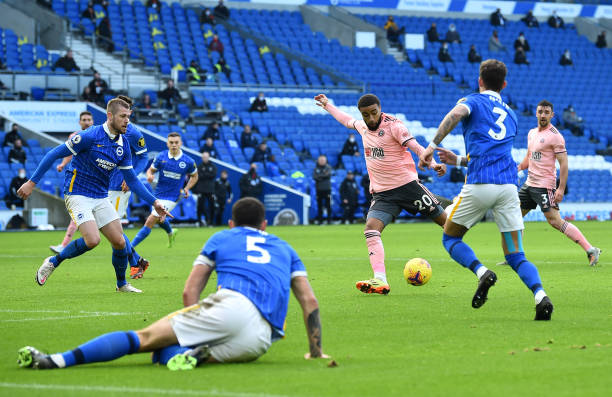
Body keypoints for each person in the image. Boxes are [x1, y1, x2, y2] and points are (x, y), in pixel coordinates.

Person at [17, 197, 327, 371]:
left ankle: (55, 361)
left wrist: (192, 320)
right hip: (260, 339)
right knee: (172, 355)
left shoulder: (223, 236)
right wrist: (315, 353)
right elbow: (310, 302)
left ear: (232, 223)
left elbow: (190, 290)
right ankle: (193, 352)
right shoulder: (285, 248)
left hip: (232, 307)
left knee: (147, 339)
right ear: (265, 225)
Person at [419, 59, 554, 321]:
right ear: (504, 84)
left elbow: (455, 116)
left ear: (480, 81)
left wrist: (432, 146)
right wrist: (457, 159)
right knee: (516, 255)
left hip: (480, 184)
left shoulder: (472, 101)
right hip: (508, 187)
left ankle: (482, 272)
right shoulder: (512, 115)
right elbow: (493, 151)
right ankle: (540, 296)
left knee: (450, 239)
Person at [17, 97, 171, 292]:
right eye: (123, 116)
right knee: (93, 240)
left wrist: (155, 202)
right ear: (110, 116)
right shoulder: (89, 136)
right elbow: (54, 153)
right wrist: (31, 182)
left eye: (129, 117)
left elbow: (132, 180)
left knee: (120, 241)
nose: (127, 121)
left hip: (100, 196)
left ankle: (122, 284)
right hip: (77, 193)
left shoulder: (123, 145)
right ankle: (54, 262)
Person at [315, 93, 447, 294]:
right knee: (370, 228)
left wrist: (434, 163)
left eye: (373, 113)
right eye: (365, 115)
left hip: (408, 187)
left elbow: (416, 147)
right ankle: (380, 280)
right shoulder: (362, 127)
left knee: (448, 225)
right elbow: (345, 120)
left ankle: (475, 263)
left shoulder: (394, 126)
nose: (370, 119)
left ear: (380, 109)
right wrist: (327, 105)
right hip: (383, 194)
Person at [516, 100, 600, 266]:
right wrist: (518, 168)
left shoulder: (555, 136)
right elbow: (529, 157)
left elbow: (564, 164)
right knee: (514, 217)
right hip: (529, 184)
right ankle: (515, 256)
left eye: (547, 112)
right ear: (536, 113)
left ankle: (590, 249)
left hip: (544, 186)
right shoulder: (532, 133)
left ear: (552, 115)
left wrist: (560, 188)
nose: (543, 115)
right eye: (540, 111)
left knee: (554, 221)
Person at [131, 133, 198, 249]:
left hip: (173, 196)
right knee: (160, 219)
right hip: (158, 195)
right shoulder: (161, 157)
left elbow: (195, 176)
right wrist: (150, 175)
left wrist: (187, 188)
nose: (174, 145)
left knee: (151, 220)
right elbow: (150, 171)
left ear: (181, 143)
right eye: (171, 142)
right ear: (167, 144)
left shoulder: (188, 161)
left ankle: (129, 249)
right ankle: (171, 232)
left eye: (176, 142)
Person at [49, 111, 95, 254]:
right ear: (79, 122)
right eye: (84, 120)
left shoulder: (99, 135)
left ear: (93, 121)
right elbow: (69, 153)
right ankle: (65, 245)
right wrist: (63, 164)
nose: (86, 122)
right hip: (82, 181)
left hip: (98, 182)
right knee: (77, 216)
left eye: (89, 119)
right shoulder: (75, 137)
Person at [193, 151, 217, 226]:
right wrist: (207, 175)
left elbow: (213, 175)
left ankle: (211, 222)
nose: (205, 158)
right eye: (203, 157)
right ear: (202, 158)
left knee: (212, 206)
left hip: (210, 189)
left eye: (206, 157)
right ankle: (199, 221)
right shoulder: (199, 166)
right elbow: (198, 176)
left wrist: (204, 174)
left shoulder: (213, 166)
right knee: (200, 206)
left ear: (209, 157)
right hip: (201, 189)